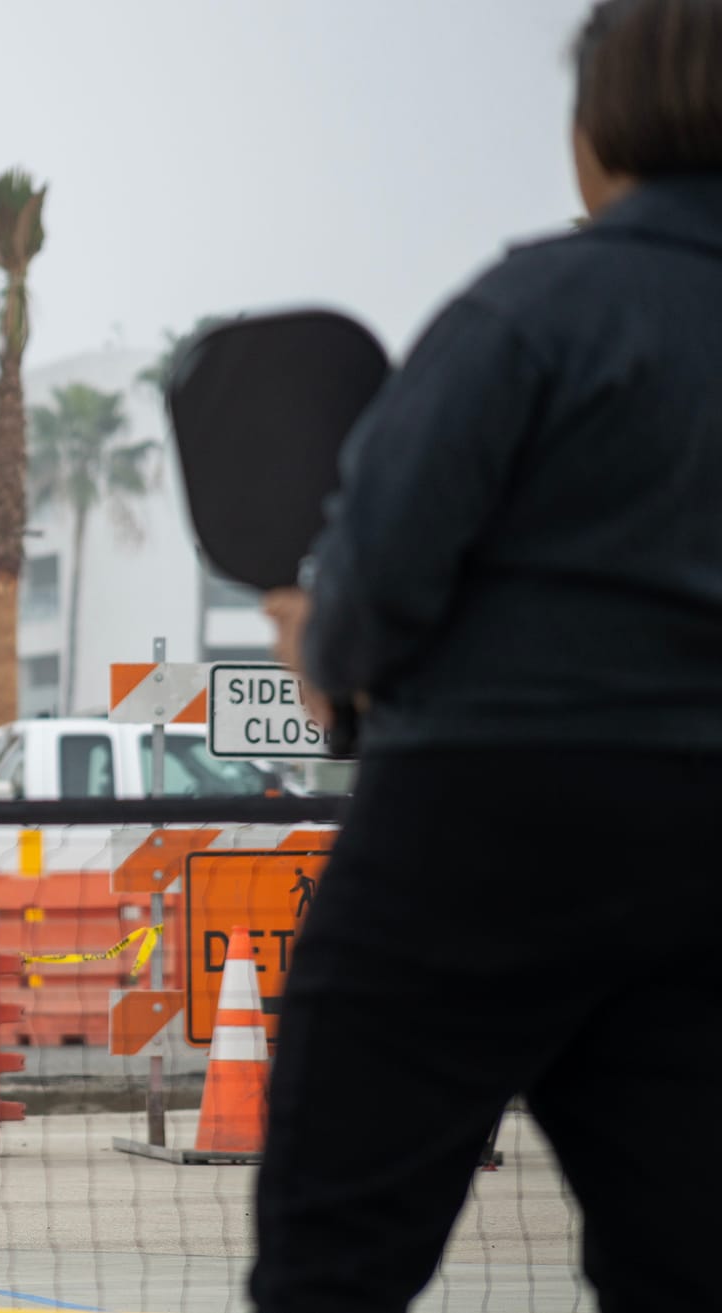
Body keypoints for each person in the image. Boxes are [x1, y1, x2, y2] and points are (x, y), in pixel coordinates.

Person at [253, 2, 722, 1309]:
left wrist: (319, 640)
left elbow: (374, 587)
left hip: (484, 815)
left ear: (602, 120)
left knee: (332, 1259)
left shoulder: (534, 310)